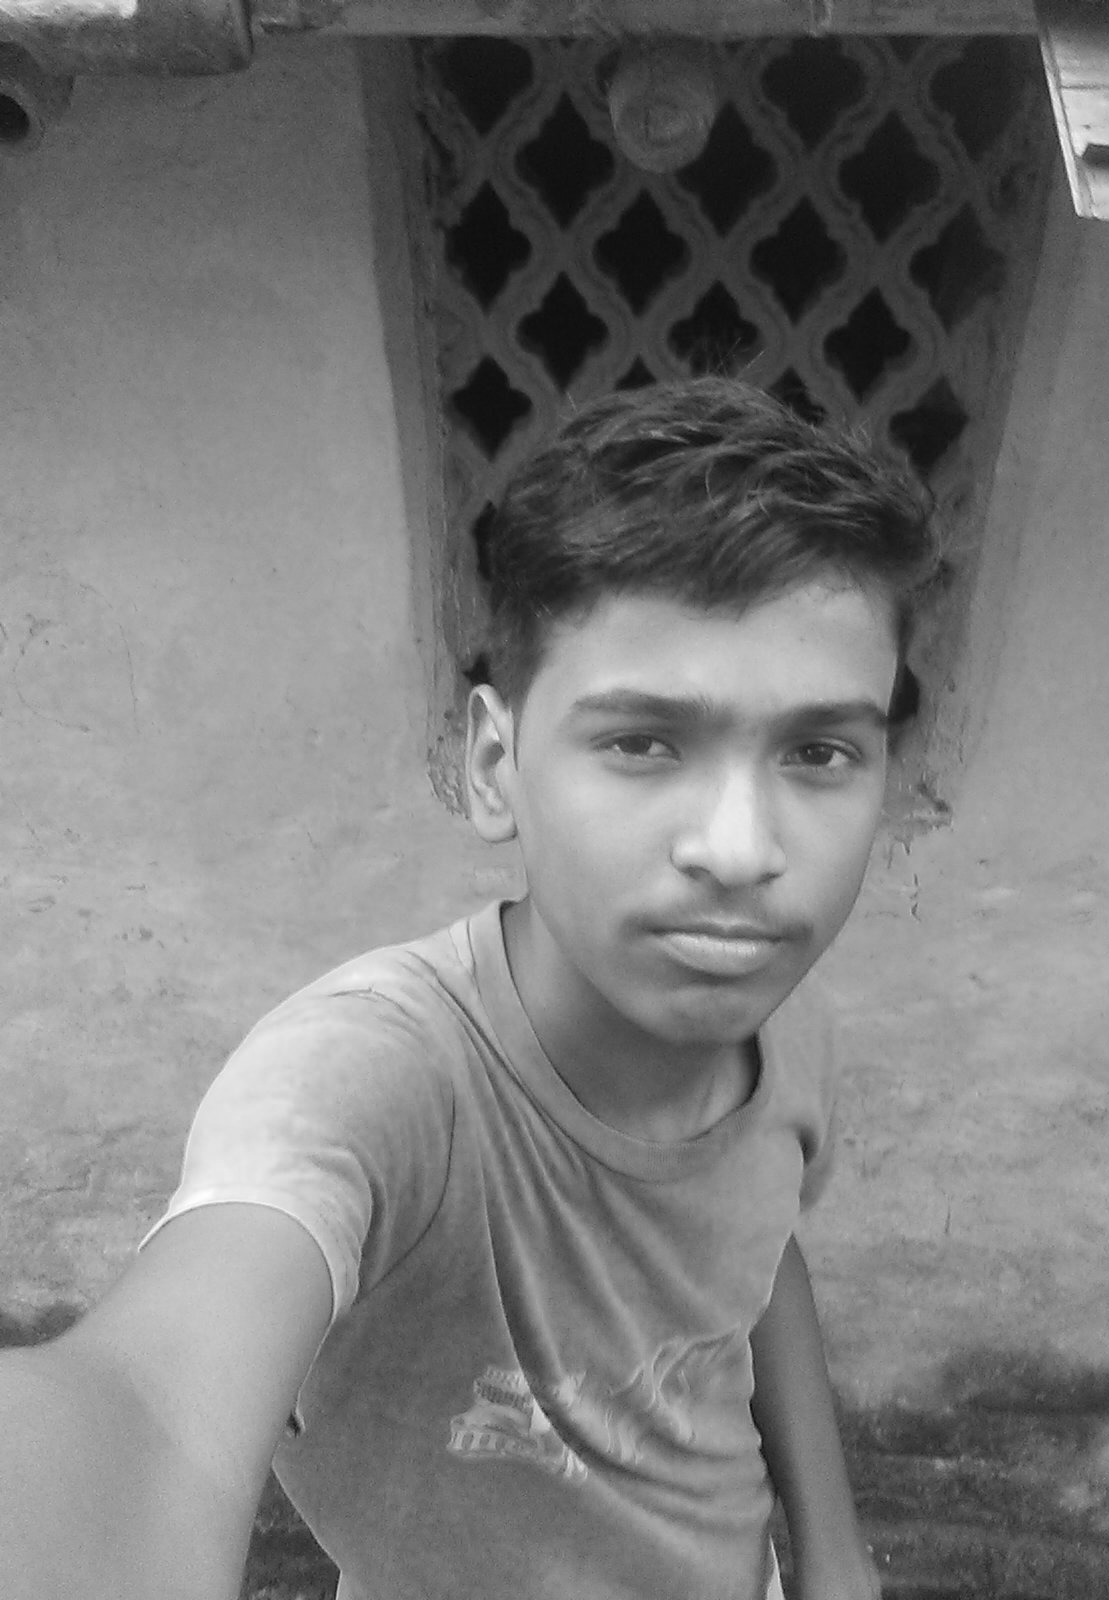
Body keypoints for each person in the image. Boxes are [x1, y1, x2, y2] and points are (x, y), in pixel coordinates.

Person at [0, 377, 937, 1600]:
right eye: (642, 742)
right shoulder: (379, 1076)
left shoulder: (787, 1028)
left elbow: (755, 1258)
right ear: (496, 764)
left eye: (819, 752)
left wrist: (834, 1552)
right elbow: (146, 1405)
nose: (740, 848)